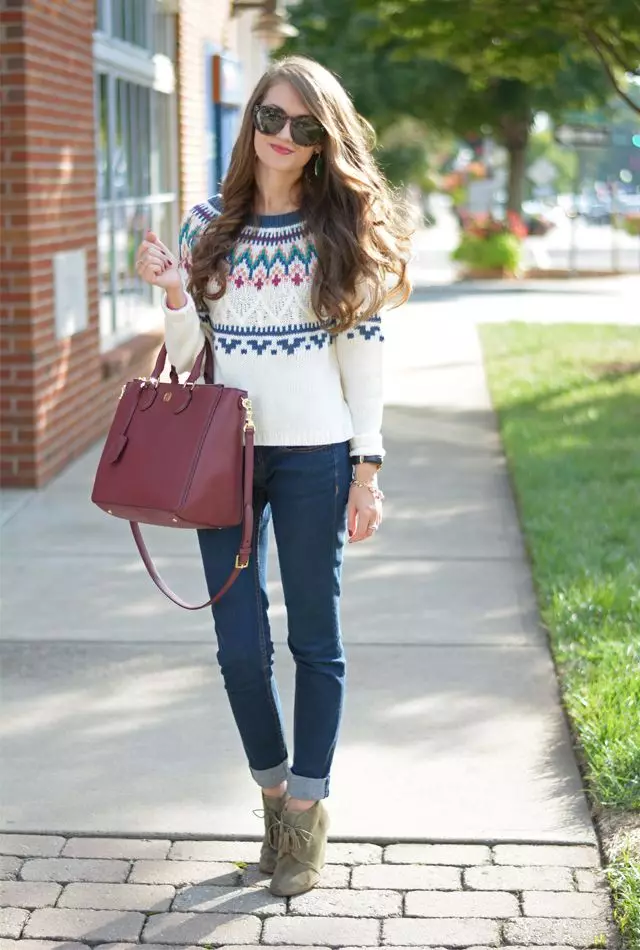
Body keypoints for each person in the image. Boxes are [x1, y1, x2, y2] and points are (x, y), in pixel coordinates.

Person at [134, 54, 412, 897]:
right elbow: (193, 361)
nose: (283, 136)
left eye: (304, 126)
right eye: (271, 118)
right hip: (226, 457)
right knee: (238, 644)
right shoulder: (205, 224)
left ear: (325, 141)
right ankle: (273, 789)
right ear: (251, 118)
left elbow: (364, 362)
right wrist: (177, 296)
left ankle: (307, 813)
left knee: (314, 641)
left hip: (317, 458)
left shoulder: (339, 231)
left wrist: (367, 467)